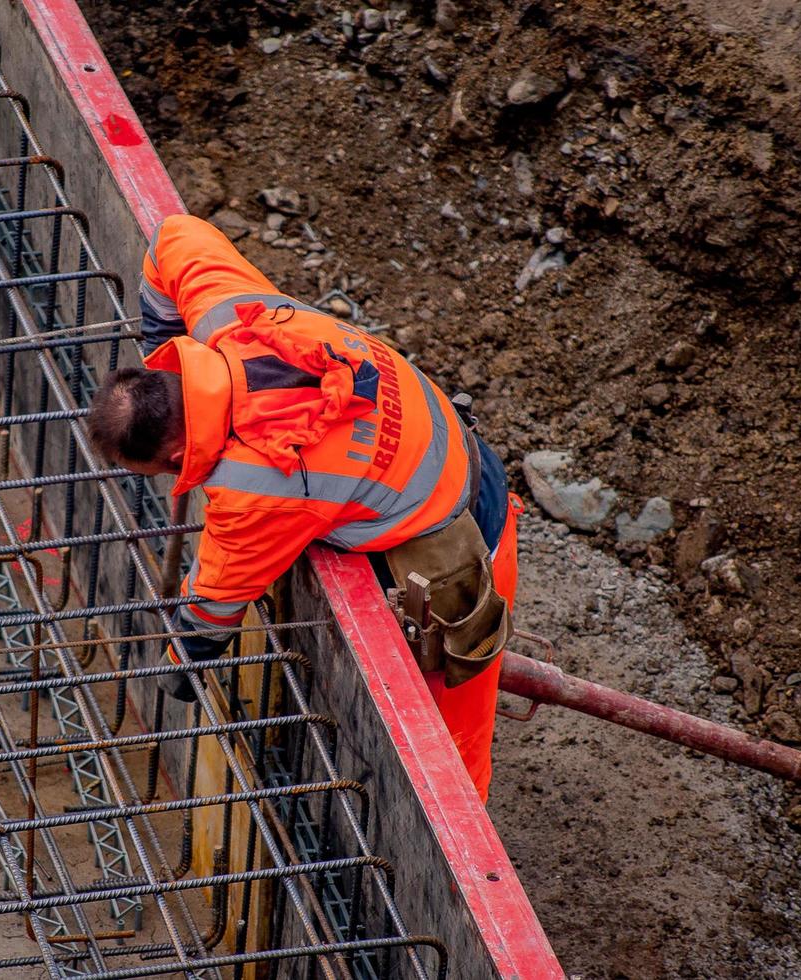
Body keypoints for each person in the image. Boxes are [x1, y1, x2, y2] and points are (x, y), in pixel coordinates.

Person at [87, 214, 523, 801]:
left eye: (171, 470)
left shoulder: (253, 487)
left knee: (450, 749)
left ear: (175, 456)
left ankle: (466, 873)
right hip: (452, 444)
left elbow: (214, 605)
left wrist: (178, 666)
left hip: (466, 544)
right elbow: (173, 237)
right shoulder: (233, 316)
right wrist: (159, 342)